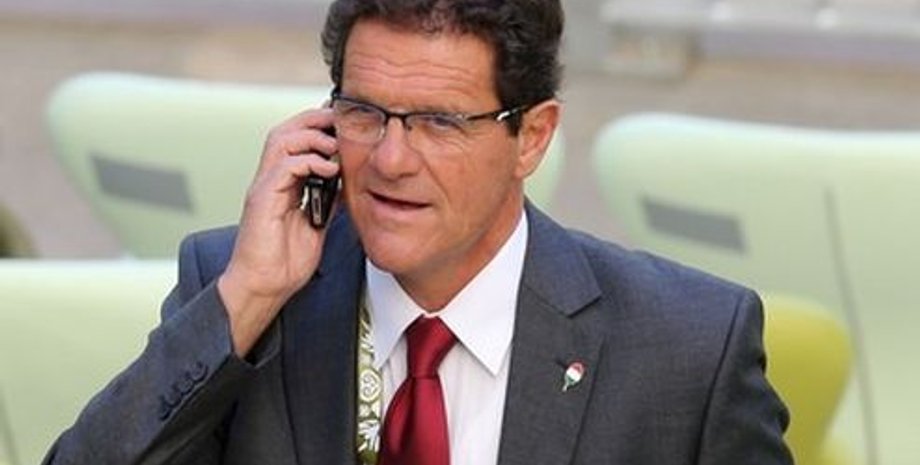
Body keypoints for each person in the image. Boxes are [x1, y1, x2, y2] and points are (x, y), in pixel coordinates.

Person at [43, 1, 793, 464]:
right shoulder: (243, 295)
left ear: (532, 137)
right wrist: (248, 296)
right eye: (364, 113)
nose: (390, 160)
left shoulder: (685, 347)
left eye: (439, 122)